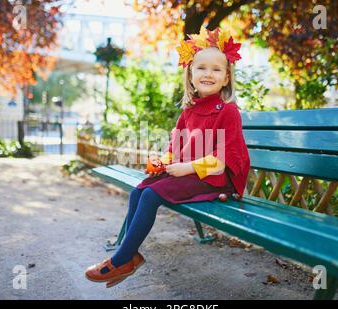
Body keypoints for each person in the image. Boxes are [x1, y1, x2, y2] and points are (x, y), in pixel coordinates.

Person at [85, 26, 251, 288]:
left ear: (226, 77)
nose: (208, 74)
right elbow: (176, 146)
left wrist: (185, 167)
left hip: (214, 177)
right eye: (201, 68)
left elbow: (221, 161)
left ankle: (121, 259)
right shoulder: (189, 110)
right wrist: (164, 160)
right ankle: (131, 256)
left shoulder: (227, 111)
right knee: (138, 191)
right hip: (190, 172)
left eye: (216, 69)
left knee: (152, 195)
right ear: (191, 74)